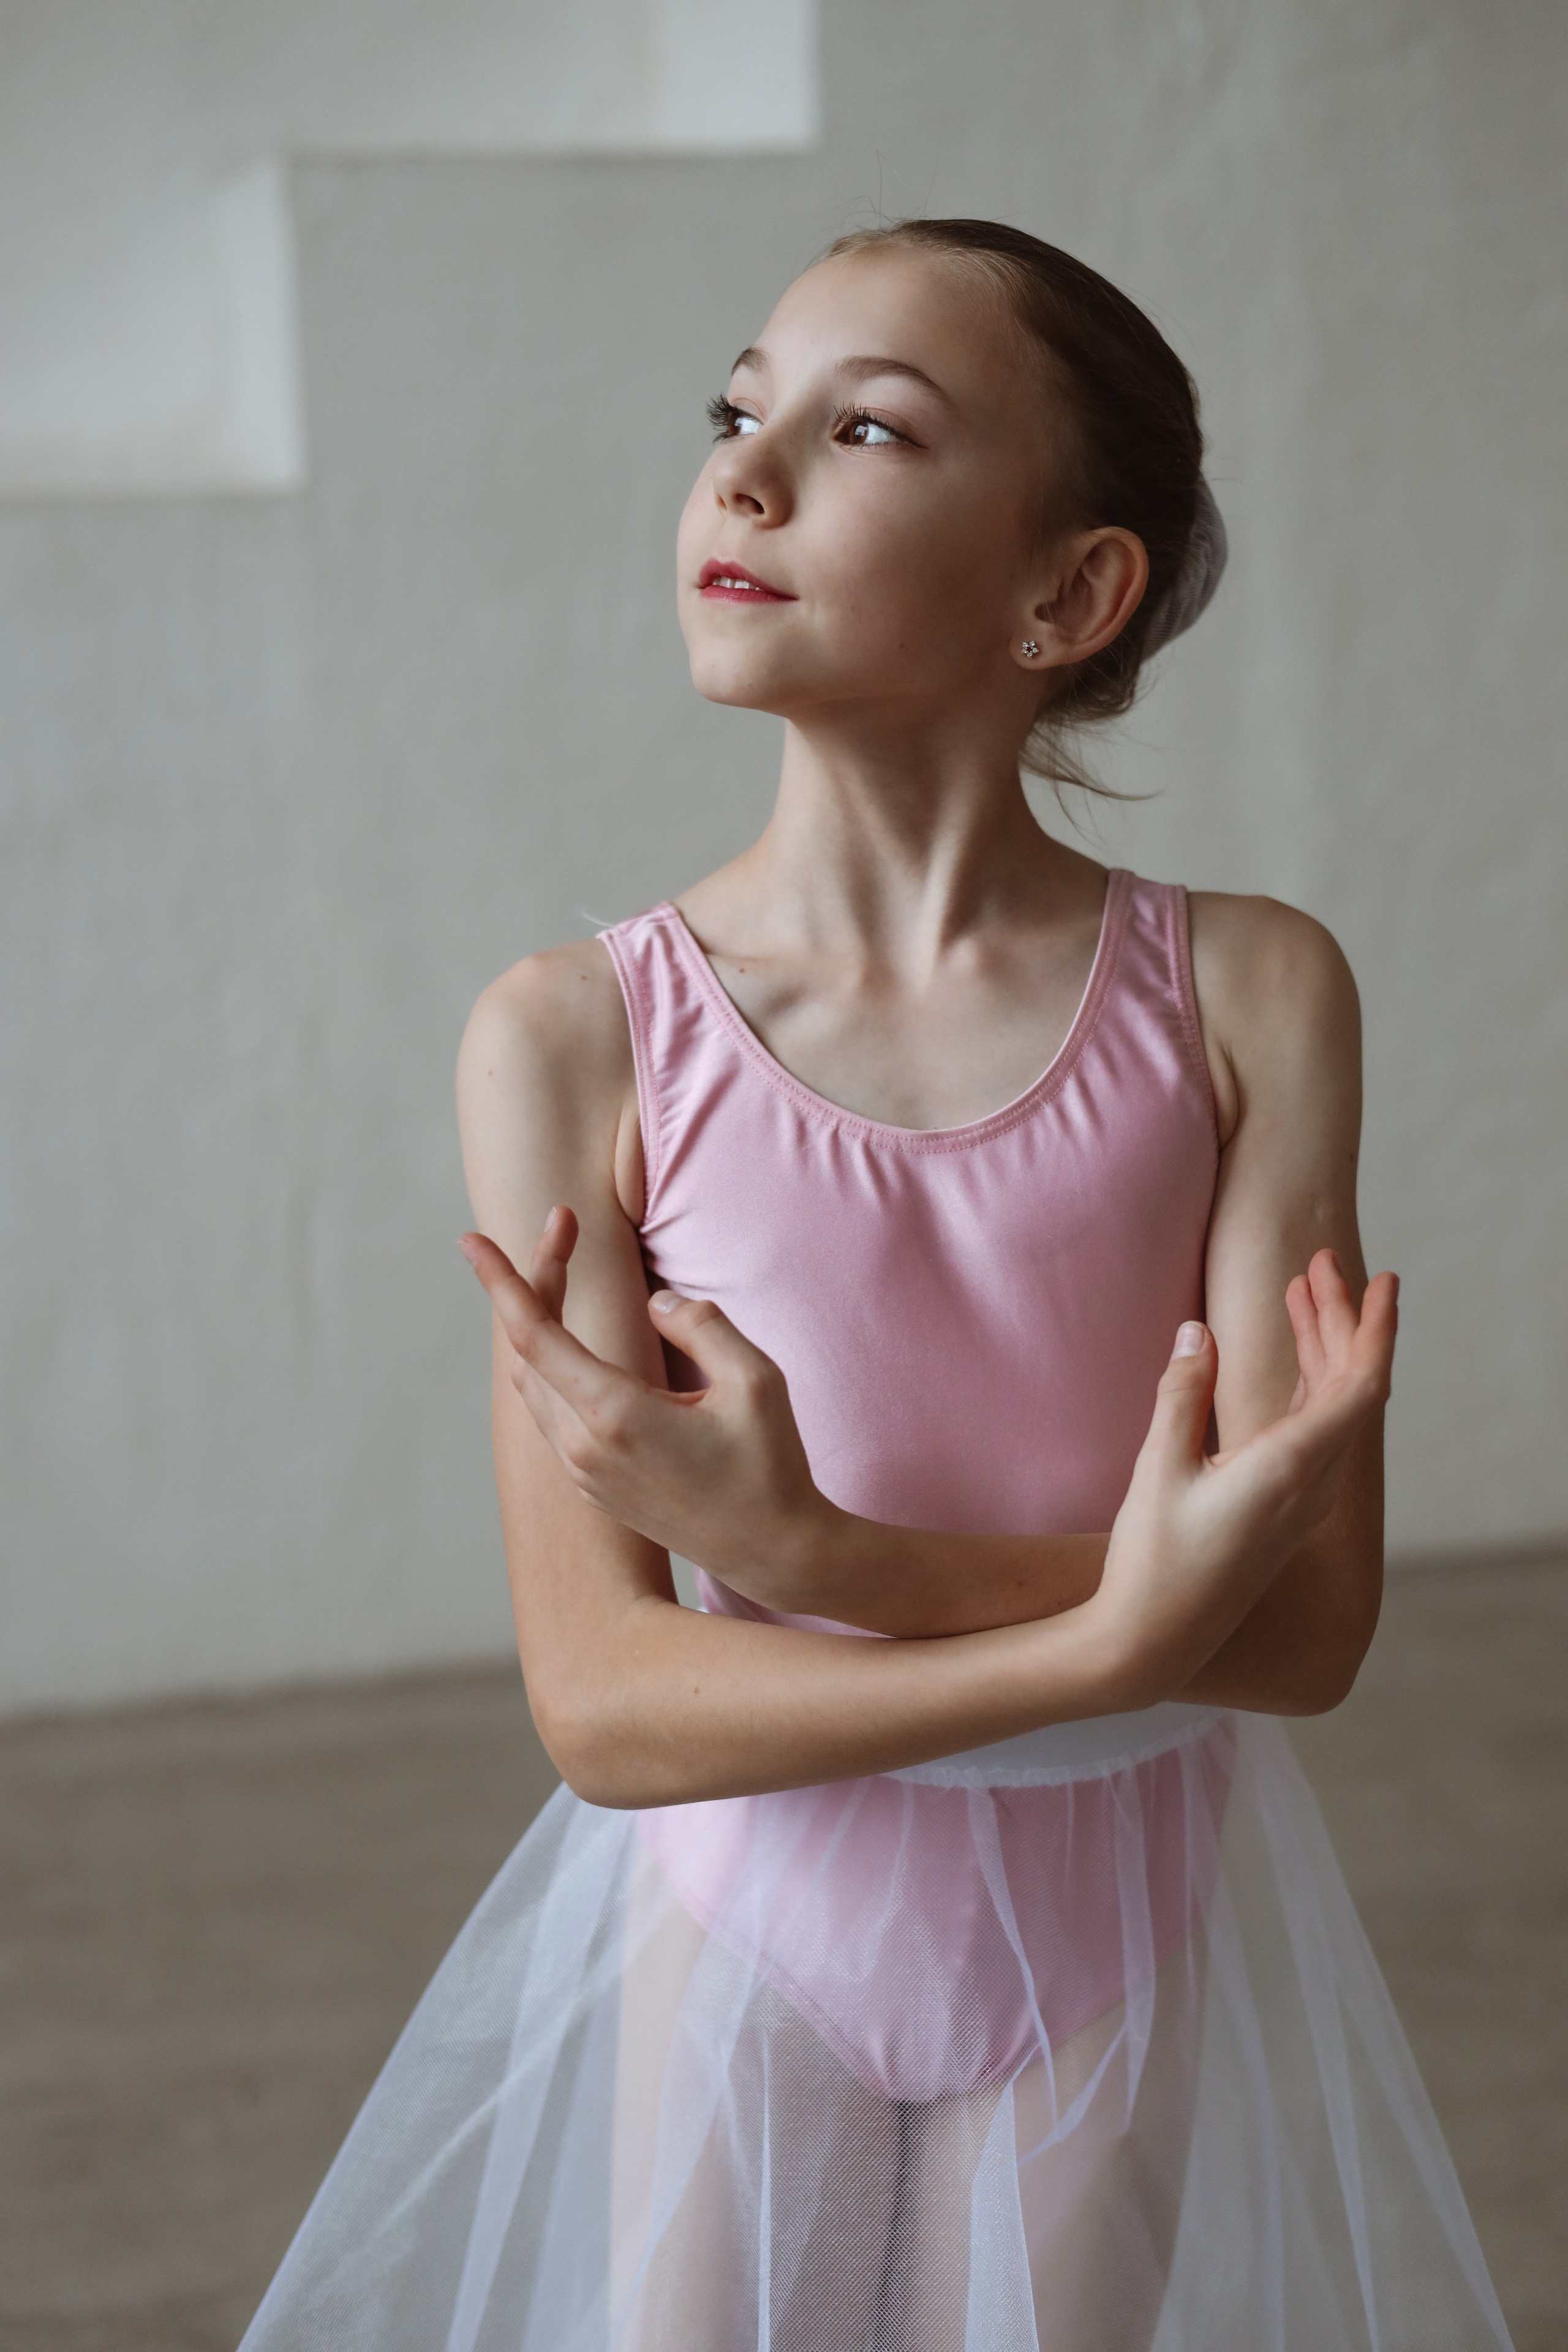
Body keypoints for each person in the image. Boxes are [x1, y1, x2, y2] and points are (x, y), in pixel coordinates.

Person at [238, 220, 1512, 2350]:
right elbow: (613, 1712)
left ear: (1070, 594)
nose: (743, 479)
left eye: (868, 431)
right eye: (738, 412)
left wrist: (819, 1553)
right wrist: (1119, 1632)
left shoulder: (1255, 996)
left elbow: (1301, 1637)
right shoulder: (574, 1042)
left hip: (1117, 1924)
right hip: (754, 1921)